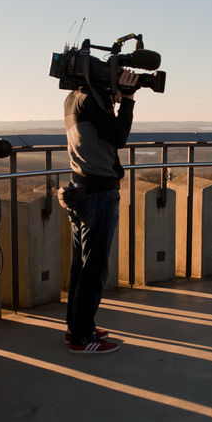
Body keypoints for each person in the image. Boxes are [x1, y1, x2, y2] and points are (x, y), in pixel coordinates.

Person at [60, 70, 140, 354]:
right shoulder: (91, 100)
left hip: (81, 189)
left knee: (81, 266)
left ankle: (76, 327)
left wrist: (110, 99)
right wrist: (127, 99)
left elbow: (100, 133)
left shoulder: (74, 98)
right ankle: (83, 338)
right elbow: (118, 137)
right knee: (94, 268)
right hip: (98, 193)